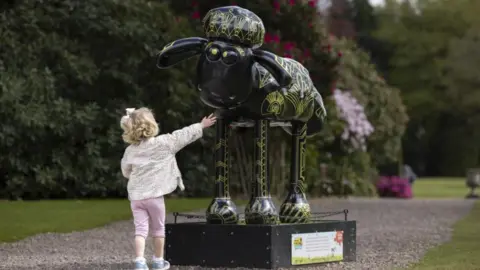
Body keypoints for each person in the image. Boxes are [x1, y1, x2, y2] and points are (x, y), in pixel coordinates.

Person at [120, 107, 217, 270]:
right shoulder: (164, 143)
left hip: (136, 198)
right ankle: (158, 261)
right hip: (155, 196)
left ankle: (139, 261)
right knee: (158, 229)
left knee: (140, 230)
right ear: (151, 125)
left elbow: (125, 171)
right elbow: (182, 135)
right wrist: (201, 125)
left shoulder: (130, 151)